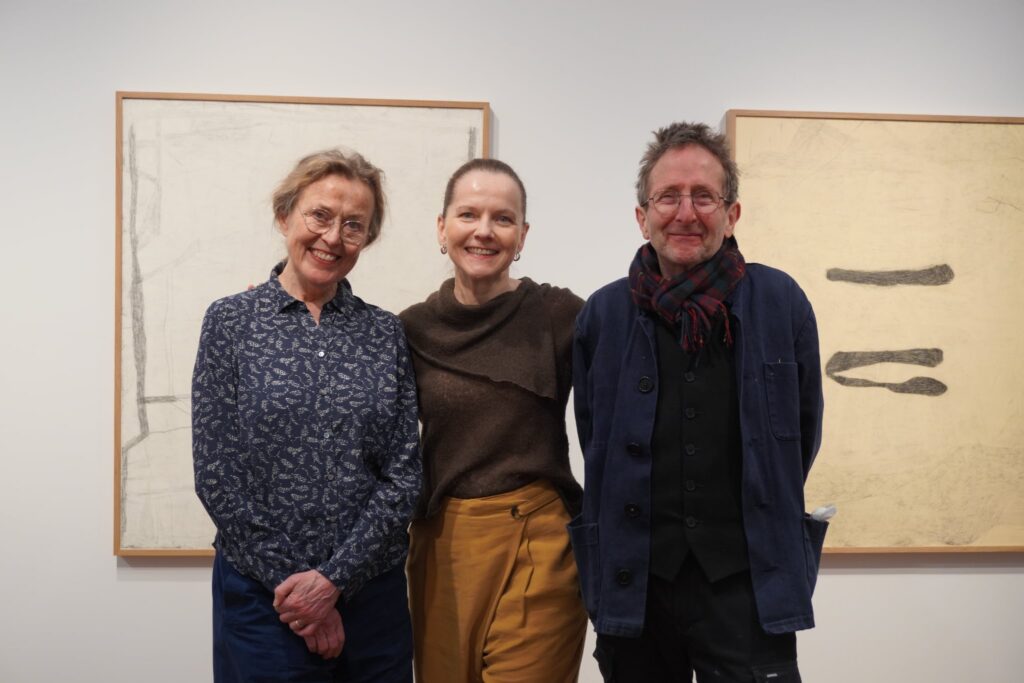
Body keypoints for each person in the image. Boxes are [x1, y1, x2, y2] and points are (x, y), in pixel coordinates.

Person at [570, 122, 826, 682]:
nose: (685, 213)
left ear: (731, 214)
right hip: (636, 584)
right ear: (642, 216)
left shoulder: (781, 302)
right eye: (668, 197)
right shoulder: (603, 315)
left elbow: (800, 437)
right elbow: (596, 444)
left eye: (704, 196)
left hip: (747, 586)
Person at [191, 149, 421, 683]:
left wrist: (334, 581)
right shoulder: (230, 323)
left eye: (354, 225)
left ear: (367, 238)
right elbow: (217, 474)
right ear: (284, 216)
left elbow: (404, 475)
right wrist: (301, 594)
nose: (333, 237)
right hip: (263, 600)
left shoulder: (385, 334)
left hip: (372, 599)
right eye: (319, 215)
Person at [399, 158, 587, 683]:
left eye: (502, 218)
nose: (484, 230)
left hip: (538, 541)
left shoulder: (559, 314)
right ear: (442, 228)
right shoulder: (409, 329)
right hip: (441, 546)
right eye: (468, 214)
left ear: (522, 235)